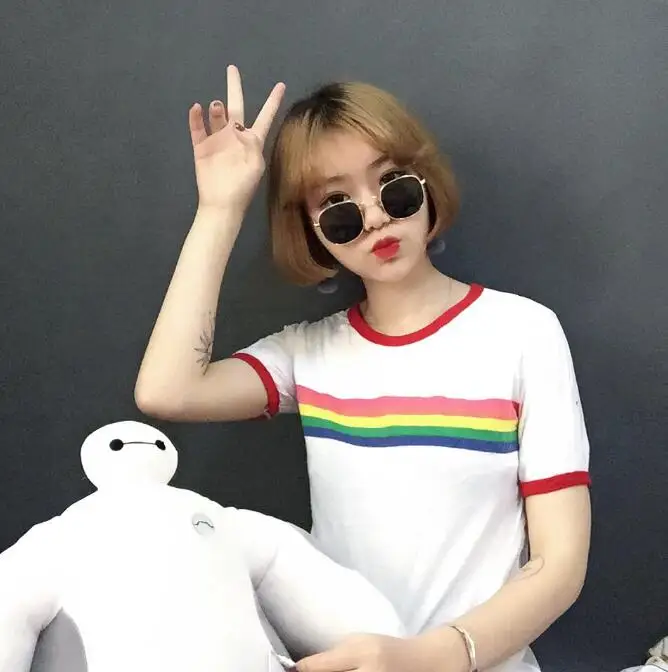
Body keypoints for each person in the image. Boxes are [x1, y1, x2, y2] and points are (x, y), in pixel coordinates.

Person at [134, 65, 592, 672]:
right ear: (311, 233)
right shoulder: (308, 354)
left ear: (426, 183)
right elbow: (167, 390)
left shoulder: (523, 333)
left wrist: (424, 659)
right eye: (337, 207)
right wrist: (220, 209)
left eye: (392, 186)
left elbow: (558, 566)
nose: (374, 216)